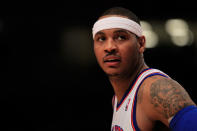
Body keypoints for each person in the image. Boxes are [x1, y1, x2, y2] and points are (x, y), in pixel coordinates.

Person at [92, 7, 197, 131]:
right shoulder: (116, 99)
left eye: (121, 37)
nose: (109, 47)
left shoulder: (156, 90)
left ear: (141, 44)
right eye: (101, 39)